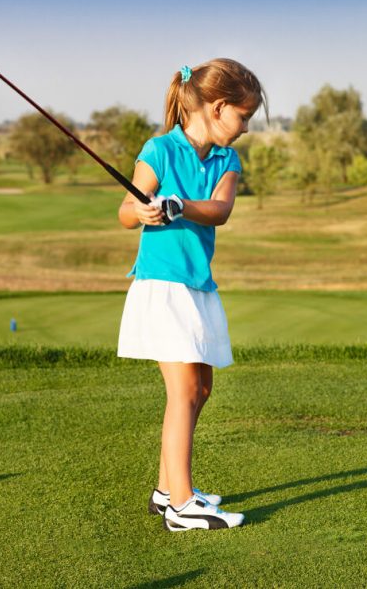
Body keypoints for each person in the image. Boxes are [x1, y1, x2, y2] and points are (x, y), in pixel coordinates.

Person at [117, 58, 266, 531]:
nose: (245, 128)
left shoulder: (227, 160)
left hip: (197, 283)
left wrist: (179, 205)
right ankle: (182, 506)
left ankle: (166, 491)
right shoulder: (159, 151)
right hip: (162, 284)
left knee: (201, 388)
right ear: (219, 108)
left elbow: (219, 210)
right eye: (243, 117)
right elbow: (124, 210)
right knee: (182, 390)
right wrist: (142, 213)